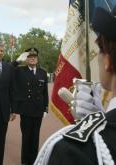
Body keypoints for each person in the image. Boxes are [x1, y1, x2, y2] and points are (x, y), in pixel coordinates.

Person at [34, 6, 116, 165]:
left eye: (100, 50)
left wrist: (98, 129)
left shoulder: (72, 152)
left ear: (108, 61)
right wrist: (103, 119)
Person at [13, 48, 48, 165]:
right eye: (29, 57)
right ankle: (25, 162)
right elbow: (8, 69)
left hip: (38, 110)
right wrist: (17, 61)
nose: (32, 58)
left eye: (34, 57)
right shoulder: (19, 70)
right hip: (26, 110)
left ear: (37, 59)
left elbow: (45, 92)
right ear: (26, 59)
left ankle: (34, 161)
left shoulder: (42, 72)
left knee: (35, 137)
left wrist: (46, 108)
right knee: (26, 138)